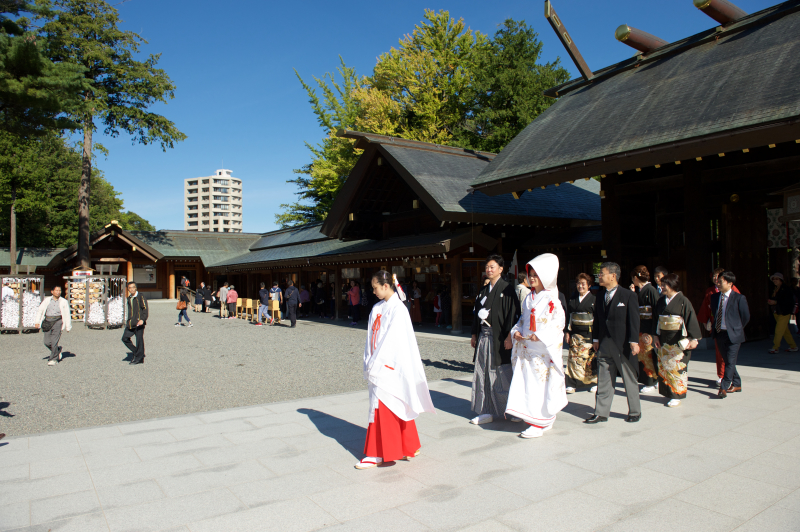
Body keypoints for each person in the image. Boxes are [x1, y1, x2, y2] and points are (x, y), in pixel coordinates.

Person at [357, 270, 435, 469]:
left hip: (389, 363)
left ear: (386, 285)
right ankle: (407, 445)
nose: (373, 291)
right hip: (377, 359)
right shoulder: (377, 308)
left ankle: (377, 452)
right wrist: (368, 359)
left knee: (386, 403)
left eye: (375, 287)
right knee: (396, 402)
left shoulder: (398, 309)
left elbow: (394, 340)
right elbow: (370, 337)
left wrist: (377, 362)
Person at [507, 254, 568, 438]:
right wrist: (516, 331)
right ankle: (539, 418)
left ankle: (538, 422)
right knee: (527, 385)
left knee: (539, 387)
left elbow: (559, 323)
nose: (532, 278)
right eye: (531, 274)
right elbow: (522, 320)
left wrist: (540, 335)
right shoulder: (529, 297)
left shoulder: (552, 299)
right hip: (527, 348)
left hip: (542, 350)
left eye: (536, 275)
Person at [586, 262, 641, 424]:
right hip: (604, 342)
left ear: (613, 276)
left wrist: (634, 341)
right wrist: (595, 339)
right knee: (603, 378)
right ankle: (601, 412)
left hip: (622, 344)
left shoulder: (628, 295)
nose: (599, 276)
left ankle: (635, 411)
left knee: (628, 378)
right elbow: (597, 319)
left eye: (602, 273)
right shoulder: (600, 295)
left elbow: (634, 320)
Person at [469, 254, 520, 425]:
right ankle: (486, 410)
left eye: (492, 267)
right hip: (483, 336)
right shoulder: (483, 290)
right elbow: (476, 314)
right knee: (482, 372)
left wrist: (509, 336)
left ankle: (512, 409)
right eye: (487, 267)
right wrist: (474, 334)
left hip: (500, 338)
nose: (489, 270)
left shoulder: (507, 289)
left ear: (501, 269)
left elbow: (513, 315)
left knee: (502, 373)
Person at [653, 274, 702, 407]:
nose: (662, 287)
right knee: (665, 366)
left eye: (664, 285)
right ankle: (668, 393)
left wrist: (694, 338)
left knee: (677, 367)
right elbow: (656, 320)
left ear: (672, 285)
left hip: (678, 338)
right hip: (664, 338)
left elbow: (690, 319)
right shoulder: (661, 301)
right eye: (662, 285)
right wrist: (655, 336)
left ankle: (676, 395)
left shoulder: (683, 301)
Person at [697, 267, 741, 386]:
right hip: (717, 324)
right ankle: (722, 376)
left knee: (730, 354)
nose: (716, 279)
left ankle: (730, 378)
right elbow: (706, 307)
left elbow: (740, 308)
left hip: (730, 326)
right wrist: (705, 321)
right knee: (720, 352)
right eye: (714, 276)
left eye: (719, 277)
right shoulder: (710, 291)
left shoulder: (733, 290)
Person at [711, 271, 750, 398]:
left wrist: (736, 328)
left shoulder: (739, 298)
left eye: (720, 281)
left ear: (730, 283)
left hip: (733, 334)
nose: (718, 283)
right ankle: (737, 383)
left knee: (730, 361)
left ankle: (723, 387)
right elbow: (715, 313)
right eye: (717, 281)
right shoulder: (715, 297)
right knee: (728, 361)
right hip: (720, 333)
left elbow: (745, 316)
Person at [565, 273, 597, 394]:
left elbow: (597, 319)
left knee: (588, 359)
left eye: (583, 284)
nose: (580, 286)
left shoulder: (594, 299)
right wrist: (567, 332)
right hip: (575, 334)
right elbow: (569, 318)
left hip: (589, 333)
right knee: (573, 359)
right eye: (578, 283)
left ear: (589, 285)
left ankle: (593, 382)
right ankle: (571, 384)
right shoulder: (572, 300)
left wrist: (597, 337)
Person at [630, 266, 660, 394]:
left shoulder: (651, 290)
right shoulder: (641, 290)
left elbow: (656, 311)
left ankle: (651, 381)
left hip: (649, 327)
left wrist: (655, 331)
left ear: (636, 278)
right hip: (642, 326)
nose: (632, 280)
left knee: (649, 355)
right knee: (643, 355)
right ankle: (650, 380)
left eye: (633, 278)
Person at [35, 285, 71, 366]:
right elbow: (40, 310)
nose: (58, 292)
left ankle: (54, 359)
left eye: (59, 290)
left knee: (54, 341)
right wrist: (37, 322)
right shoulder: (47, 300)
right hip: (48, 321)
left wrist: (68, 326)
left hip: (58, 321)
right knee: (47, 342)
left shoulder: (63, 301)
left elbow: (67, 314)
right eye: (56, 290)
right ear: (52, 292)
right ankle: (57, 350)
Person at [768, 272, 798, 354]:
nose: (775, 281)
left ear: (781, 280)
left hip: (784, 312)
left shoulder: (786, 289)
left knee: (778, 330)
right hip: (777, 311)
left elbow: (787, 301)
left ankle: (775, 347)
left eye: (776, 279)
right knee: (785, 331)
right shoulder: (775, 288)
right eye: (773, 279)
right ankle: (793, 346)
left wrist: (775, 302)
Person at [122, 282, 148, 365]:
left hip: (139, 322)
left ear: (136, 288)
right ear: (128, 289)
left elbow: (145, 308)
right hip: (131, 322)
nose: (132, 289)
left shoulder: (140, 296)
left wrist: (142, 319)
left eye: (133, 287)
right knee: (125, 338)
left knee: (139, 340)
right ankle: (137, 352)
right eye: (130, 288)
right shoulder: (129, 298)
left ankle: (139, 359)